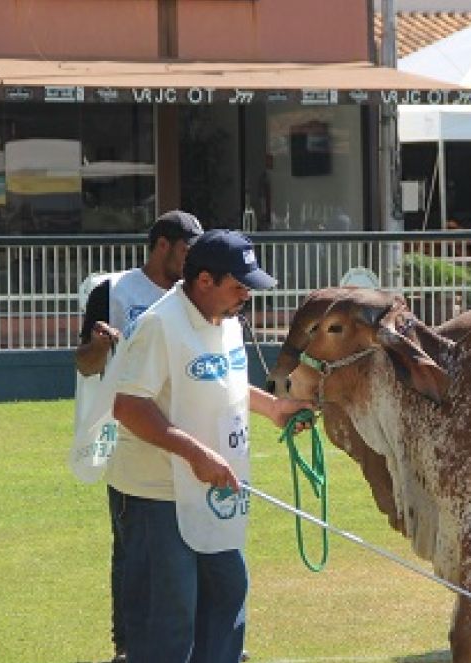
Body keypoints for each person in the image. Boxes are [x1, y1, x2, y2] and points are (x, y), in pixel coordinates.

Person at [107, 229, 309, 662]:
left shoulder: (228, 321)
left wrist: (273, 407)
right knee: (171, 612)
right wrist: (194, 452)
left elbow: (224, 379)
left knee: (228, 588)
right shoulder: (159, 325)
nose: (247, 296)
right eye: (238, 286)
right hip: (157, 495)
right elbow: (128, 405)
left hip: (214, 490)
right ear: (204, 281)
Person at [74, 210, 204, 663]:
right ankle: (127, 645)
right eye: (187, 250)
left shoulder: (195, 295)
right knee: (131, 545)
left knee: (197, 537)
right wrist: (100, 345)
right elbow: (84, 365)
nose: (193, 260)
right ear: (163, 245)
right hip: (128, 432)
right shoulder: (113, 292)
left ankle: (202, 637)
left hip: (188, 428)